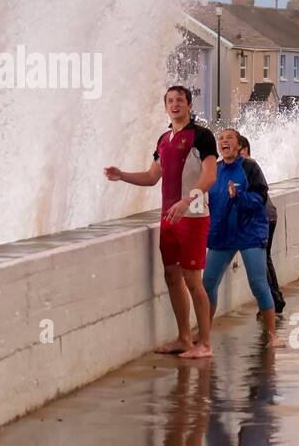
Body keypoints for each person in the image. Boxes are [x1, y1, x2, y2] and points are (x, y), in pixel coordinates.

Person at [106, 86, 218, 359]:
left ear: (189, 105)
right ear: (165, 107)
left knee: (193, 280)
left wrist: (186, 200)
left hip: (192, 217)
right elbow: (151, 176)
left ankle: (204, 342)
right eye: (170, 101)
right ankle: (183, 338)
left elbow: (210, 176)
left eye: (180, 100)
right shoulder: (164, 139)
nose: (175, 104)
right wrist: (122, 175)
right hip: (169, 218)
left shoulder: (202, 136)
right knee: (171, 276)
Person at [201, 129, 277, 346]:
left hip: (250, 232)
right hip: (221, 233)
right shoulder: (214, 169)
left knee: (258, 284)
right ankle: (204, 336)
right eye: (221, 139)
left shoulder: (249, 167)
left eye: (229, 138)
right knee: (208, 284)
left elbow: (260, 198)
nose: (224, 141)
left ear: (238, 144)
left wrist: (239, 196)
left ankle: (272, 335)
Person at [239, 137, 284, 316]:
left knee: (261, 261)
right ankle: (276, 300)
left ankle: (272, 303)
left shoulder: (247, 165)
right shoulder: (248, 165)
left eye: (240, 150)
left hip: (262, 219)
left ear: (246, 150)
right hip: (269, 216)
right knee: (265, 259)